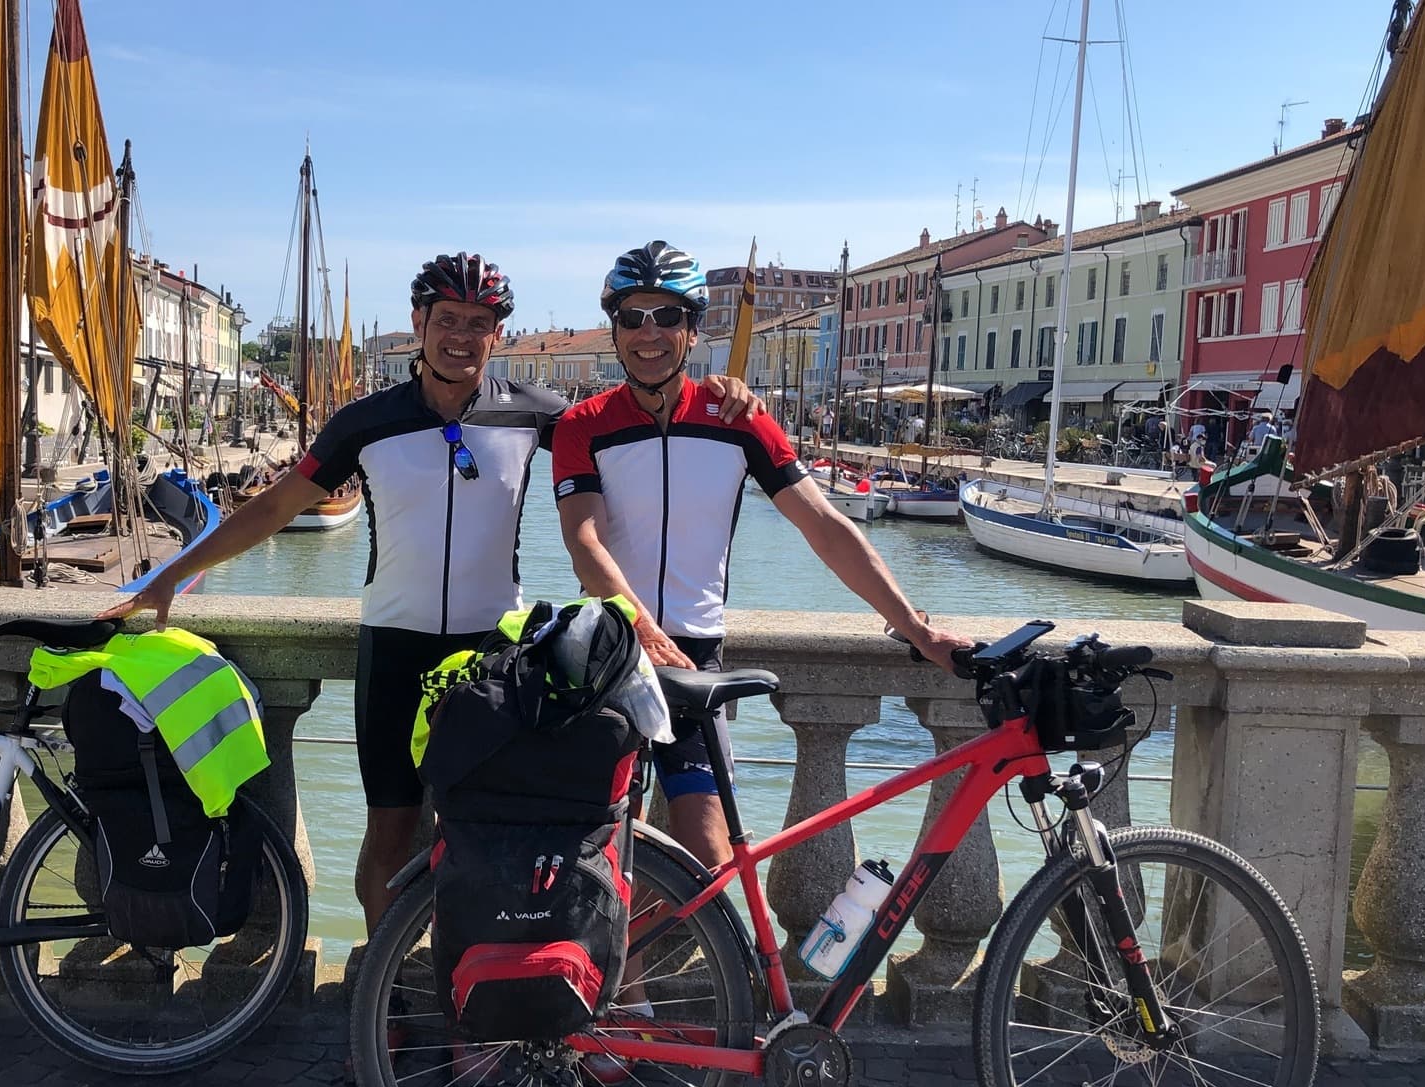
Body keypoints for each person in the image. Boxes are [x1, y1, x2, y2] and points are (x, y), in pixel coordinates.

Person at [100, 252, 764, 934]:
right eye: (447, 318)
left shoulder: (539, 415)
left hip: (492, 660)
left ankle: (466, 993)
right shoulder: (365, 421)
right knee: (390, 828)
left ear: (499, 335)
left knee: (487, 830)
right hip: (393, 650)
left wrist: (724, 392)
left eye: (480, 322)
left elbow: (634, 421)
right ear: (418, 322)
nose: (462, 335)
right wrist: (170, 574)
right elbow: (272, 508)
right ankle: (385, 989)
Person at [553, 242, 967, 879]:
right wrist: (641, 629)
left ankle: (668, 971)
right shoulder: (584, 424)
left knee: (710, 857)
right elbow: (586, 542)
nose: (649, 333)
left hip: (695, 658)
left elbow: (824, 526)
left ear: (693, 330)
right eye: (632, 318)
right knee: (595, 858)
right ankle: (621, 982)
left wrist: (916, 628)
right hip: (610, 650)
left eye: (666, 316)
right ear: (614, 332)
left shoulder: (736, 419)